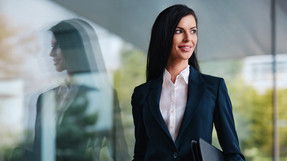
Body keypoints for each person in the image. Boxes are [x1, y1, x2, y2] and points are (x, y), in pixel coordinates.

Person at [131, 4, 245, 161]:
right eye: (179, 31)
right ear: (163, 35)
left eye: (193, 31)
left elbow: (234, 154)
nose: (188, 38)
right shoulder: (142, 94)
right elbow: (140, 154)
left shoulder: (214, 88)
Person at [18, 19, 129, 161]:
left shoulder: (101, 96)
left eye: (57, 46)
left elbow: (119, 151)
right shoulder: (45, 98)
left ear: (72, 48)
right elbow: (36, 149)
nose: (51, 54)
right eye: (51, 47)